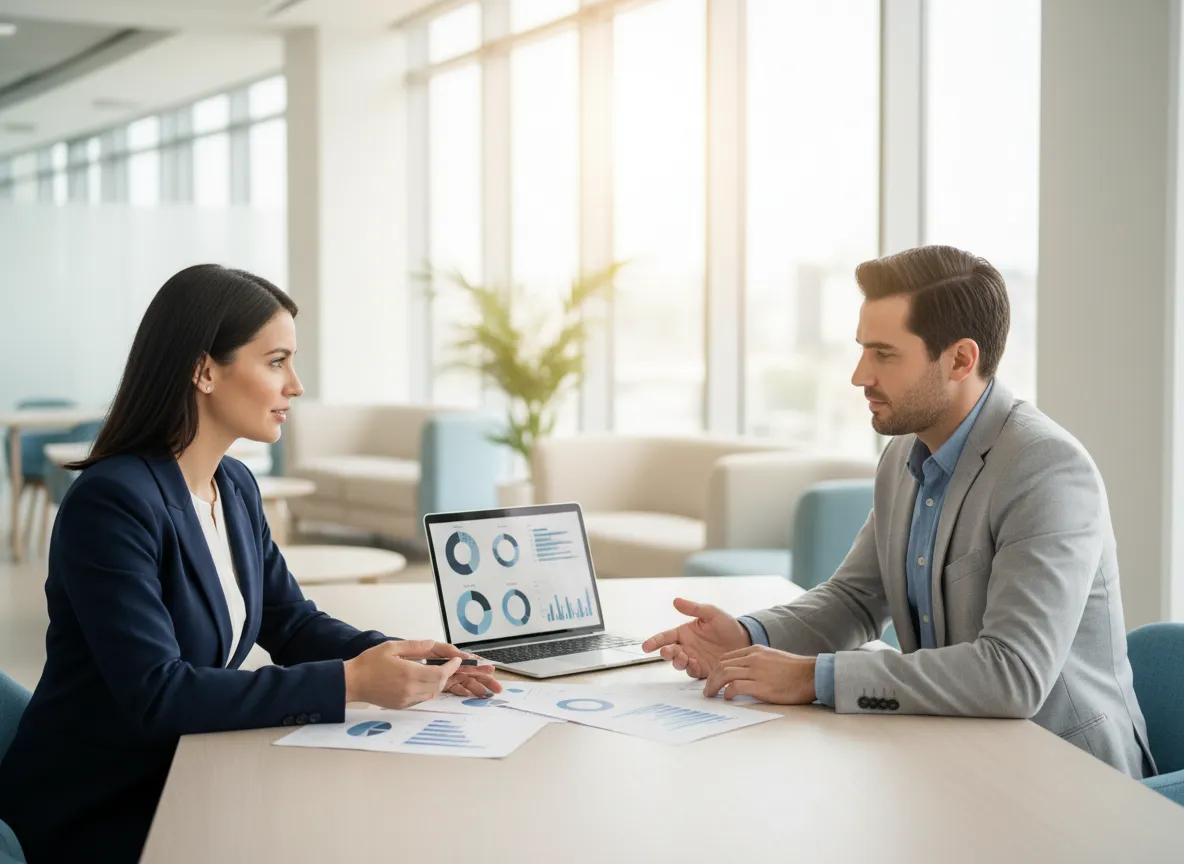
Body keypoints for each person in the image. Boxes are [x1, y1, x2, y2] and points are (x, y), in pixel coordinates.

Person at [0, 265, 502, 862]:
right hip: (100, 807)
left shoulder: (233, 485)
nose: (297, 385)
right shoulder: (111, 503)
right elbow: (157, 693)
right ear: (204, 370)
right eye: (276, 362)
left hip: (187, 773)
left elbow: (290, 622)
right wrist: (352, 682)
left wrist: (404, 657)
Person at [643, 245, 1154, 778]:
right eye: (863, 350)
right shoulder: (904, 454)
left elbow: (1013, 673)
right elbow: (855, 600)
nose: (859, 375)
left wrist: (813, 677)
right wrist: (749, 637)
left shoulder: (1045, 468)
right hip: (950, 753)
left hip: (1068, 775)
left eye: (884, 355)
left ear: (960, 360)